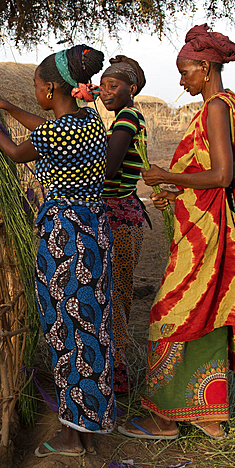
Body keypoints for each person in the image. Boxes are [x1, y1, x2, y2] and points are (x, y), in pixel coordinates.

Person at [118, 25, 235, 441]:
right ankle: (208, 415)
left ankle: (166, 419)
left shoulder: (216, 109)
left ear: (205, 69)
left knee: (168, 316)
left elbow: (223, 175)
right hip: (202, 226)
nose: (182, 80)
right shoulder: (227, 106)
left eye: (185, 71)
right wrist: (175, 189)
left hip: (207, 235)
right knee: (207, 313)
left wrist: (167, 174)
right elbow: (207, 176)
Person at [0, 45, 115, 456]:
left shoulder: (58, 131)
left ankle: (72, 437)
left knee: (65, 328)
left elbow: (16, 153)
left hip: (66, 238)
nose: (35, 94)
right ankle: (87, 422)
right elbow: (46, 129)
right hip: (93, 231)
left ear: (50, 89)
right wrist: (8, 105)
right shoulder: (87, 123)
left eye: (35, 88)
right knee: (90, 327)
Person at [98, 55, 149, 394]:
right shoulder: (126, 119)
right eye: (102, 86)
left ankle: (116, 377)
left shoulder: (127, 118)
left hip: (118, 218)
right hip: (124, 214)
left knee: (114, 295)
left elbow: (109, 168)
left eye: (113, 86)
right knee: (115, 294)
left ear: (131, 89)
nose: (105, 92)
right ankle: (113, 371)